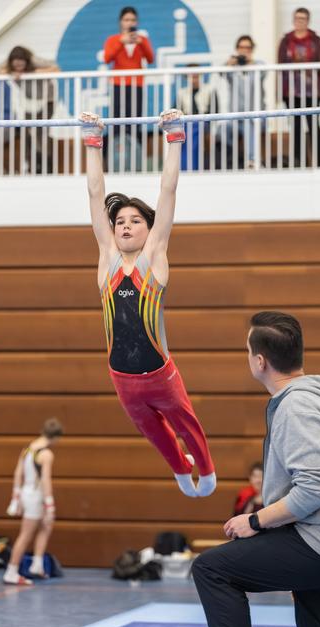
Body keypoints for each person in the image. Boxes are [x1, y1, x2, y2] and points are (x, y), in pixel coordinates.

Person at [192, 311, 320, 627]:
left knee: (211, 569)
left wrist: (254, 521)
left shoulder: (298, 407)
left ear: (260, 361)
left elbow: (316, 489)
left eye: (248, 352)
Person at [80, 108, 215, 498]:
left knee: (184, 423)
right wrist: (93, 141)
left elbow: (168, 192)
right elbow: (94, 193)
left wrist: (175, 136)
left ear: (149, 229)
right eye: (119, 220)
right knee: (153, 432)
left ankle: (205, 468)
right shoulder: (105, 258)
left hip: (160, 374)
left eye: (135, 220)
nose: (124, 225)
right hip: (121, 377)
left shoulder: (153, 257)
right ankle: (180, 469)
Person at [3, 417, 63, 585]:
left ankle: (37, 565)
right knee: (26, 534)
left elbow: (18, 473)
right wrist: (50, 505)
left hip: (25, 493)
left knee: (46, 525)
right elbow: (45, 480)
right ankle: (11, 571)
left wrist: (15, 497)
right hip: (35, 496)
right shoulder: (46, 454)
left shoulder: (27, 449)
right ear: (57, 437)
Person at [278, 7, 320, 167]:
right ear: (293, 20)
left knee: (314, 125)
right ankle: (299, 162)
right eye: (297, 18)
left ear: (308, 21)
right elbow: (280, 65)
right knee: (296, 126)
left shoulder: (315, 40)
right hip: (291, 91)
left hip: (312, 91)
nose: (300, 21)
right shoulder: (286, 40)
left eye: (303, 19)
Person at [103, 5, 154, 161]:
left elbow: (151, 59)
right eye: (126, 19)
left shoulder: (142, 39)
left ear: (136, 21)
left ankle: (135, 157)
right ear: (121, 22)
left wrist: (141, 43)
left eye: (132, 19)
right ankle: (114, 156)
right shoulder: (113, 39)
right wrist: (121, 41)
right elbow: (107, 58)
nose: (129, 22)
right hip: (118, 85)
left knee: (136, 118)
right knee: (117, 119)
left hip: (136, 85)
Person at [5, 46, 57, 173]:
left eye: (21, 60)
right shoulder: (9, 66)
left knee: (41, 134)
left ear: (26, 60)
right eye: (15, 61)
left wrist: (29, 74)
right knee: (26, 133)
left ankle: (46, 167)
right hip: (29, 105)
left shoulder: (34, 61)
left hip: (46, 102)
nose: (18, 64)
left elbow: (55, 68)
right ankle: (32, 165)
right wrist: (10, 73)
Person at [223, 35, 266, 169]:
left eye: (248, 48)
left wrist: (250, 63)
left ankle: (251, 161)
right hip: (235, 117)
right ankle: (228, 163)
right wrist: (228, 64)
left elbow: (264, 72)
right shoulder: (232, 67)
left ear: (252, 49)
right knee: (222, 130)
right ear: (237, 49)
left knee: (249, 123)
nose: (244, 50)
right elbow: (220, 73)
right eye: (242, 47)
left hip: (256, 118)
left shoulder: (258, 66)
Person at [176, 64, 219, 170]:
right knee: (181, 132)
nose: (194, 79)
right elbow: (176, 111)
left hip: (204, 123)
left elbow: (215, 112)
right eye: (191, 76)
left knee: (194, 127)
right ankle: (185, 166)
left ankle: (189, 168)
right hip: (185, 123)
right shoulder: (181, 92)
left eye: (196, 76)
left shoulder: (210, 90)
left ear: (201, 76)